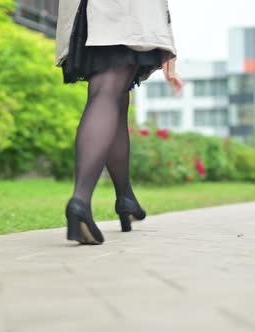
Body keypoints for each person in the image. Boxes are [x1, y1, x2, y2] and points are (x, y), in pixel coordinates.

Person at [56, 0, 183, 245]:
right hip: (122, 12)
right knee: (107, 91)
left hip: (86, 11)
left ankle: (126, 198)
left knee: (115, 96)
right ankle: (80, 201)